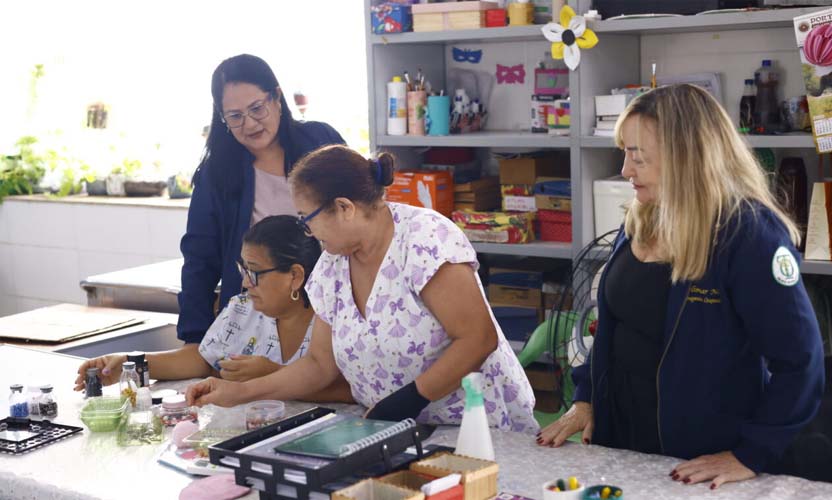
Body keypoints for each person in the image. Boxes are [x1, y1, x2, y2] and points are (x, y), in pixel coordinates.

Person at [536, 84, 824, 489]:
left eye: (637, 156)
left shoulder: (748, 235)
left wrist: (750, 454)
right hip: (623, 447)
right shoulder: (644, 215)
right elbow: (613, 326)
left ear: (686, 157)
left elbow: (801, 362)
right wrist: (586, 399)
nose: (625, 169)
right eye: (625, 152)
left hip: (698, 463)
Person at [185, 145, 538, 433]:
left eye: (307, 219)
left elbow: (477, 339)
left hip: (476, 426)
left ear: (344, 208)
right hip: (397, 428)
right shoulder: (331, 266)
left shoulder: (425, 240)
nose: (307, 232)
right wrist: (239, 392)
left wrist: (412, 398)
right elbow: (319, 365)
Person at [75, 216, 354, 402]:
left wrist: (272, 374)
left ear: (294, 276)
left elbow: (352, 391)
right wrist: (128, 364)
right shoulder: (243, 310)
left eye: (255, 272)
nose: (245, 283)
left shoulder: (333, 319)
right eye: (242, 269)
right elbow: (201, 359)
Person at [179, 54, 344, 345]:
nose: (250, 124)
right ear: (222, 118)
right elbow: (199, 259)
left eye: (257, 108)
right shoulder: (215, 174)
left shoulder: (319, 141)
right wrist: (194, 338)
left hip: (334, 310)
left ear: (277, 98)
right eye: (235, 116)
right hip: (259, 324)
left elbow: (357, 213)